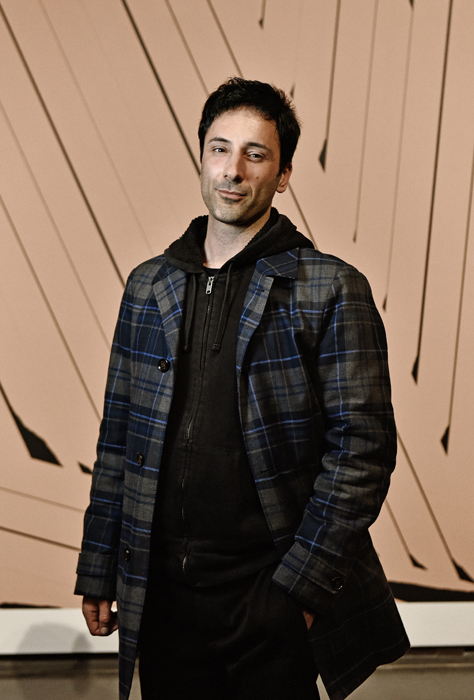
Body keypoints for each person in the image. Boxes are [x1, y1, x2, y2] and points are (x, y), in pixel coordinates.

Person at [75, 77, 409, 700]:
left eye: (255, 154)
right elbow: (118, 436)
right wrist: (99, 563)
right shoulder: (148, 285)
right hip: (163, 595)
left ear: (282, 175)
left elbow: (362, 452)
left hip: (269, 593)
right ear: (201, 156)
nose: (233, 170)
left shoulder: (331, 288)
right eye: (220, 149)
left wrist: (301, 590)